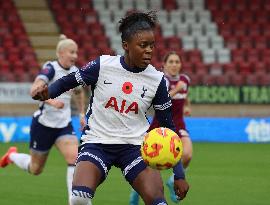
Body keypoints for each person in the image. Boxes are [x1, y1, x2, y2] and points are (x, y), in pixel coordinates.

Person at [30, 11, 189, 205]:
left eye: (152, 45)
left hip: (135, 147)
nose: (149, 50)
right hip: (97, 142)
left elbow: (168, 127)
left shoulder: (157, 80)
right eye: (143, 45)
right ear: (126, 46)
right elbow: (68, 82)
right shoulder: (102, 65)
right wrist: (48, 92)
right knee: (78, 199)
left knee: (158, 203)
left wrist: (179, 173)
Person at [0, 35, 86, 205]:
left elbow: (78, 92)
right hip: (43, 125)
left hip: (64, 125)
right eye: (72, 52)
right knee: (35, 169)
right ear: (61, 53)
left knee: (74, 158)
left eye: (76, 52)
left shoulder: (75, 72)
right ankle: (12, 156)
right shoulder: (50, 68)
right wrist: (52, 101)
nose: (75, 56)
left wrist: (82, 113)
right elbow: (34, 90)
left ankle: (73, 202)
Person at [129, 51, 193, 204]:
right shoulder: (160, 80)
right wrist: (176, 90)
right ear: (164, 65)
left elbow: (186, 95)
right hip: (160, 126)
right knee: (149, 166)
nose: (174, 64)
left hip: (178, 124)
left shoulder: (185, 80)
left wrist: (187, 107)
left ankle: (172, 180)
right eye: (171, 61)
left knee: (188, 154)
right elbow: (157, 102)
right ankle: (135, 192)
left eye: (177, 62)